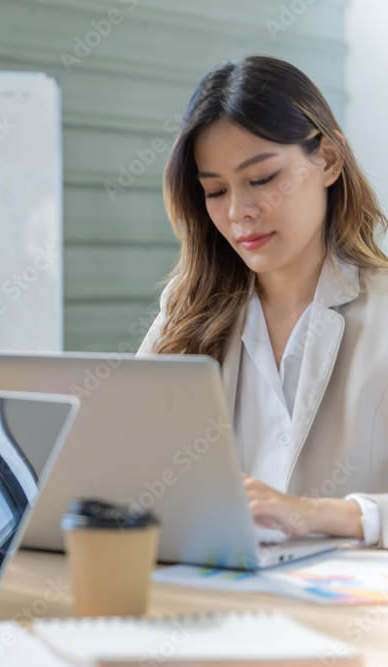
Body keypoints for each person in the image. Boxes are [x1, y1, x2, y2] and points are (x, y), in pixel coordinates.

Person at [138, 56, 388, 547]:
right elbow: (125, 463)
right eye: (214, 191)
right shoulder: (185, 308)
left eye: (263, 178)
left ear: (329, 161)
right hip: (210, 597)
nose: (238, 213)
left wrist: (319, 514)